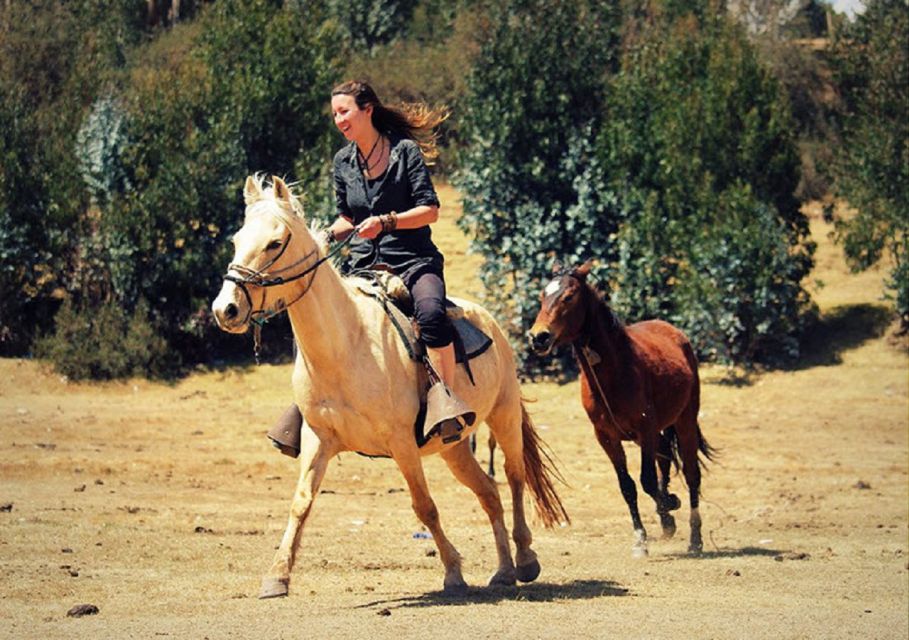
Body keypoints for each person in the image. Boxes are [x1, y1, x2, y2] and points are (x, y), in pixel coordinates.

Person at [267, 80, 462, 458]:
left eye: (344, 112)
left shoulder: (405, 152)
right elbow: (348, 215)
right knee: (317, 319)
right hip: (363, 264)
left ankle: (444, 404)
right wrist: (322, 234)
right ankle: (306, 407)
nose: (338, 120)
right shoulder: (343, 161)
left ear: (367, 109)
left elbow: (430, 210)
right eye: (335, 114)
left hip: (413, 260)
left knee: (433, 315)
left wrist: (386, 222)